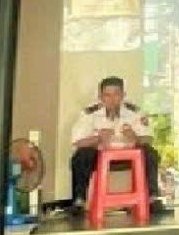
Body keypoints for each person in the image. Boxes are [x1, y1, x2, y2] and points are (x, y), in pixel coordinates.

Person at [68, 76, 165, 213]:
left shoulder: (134, 112)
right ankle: (79, 201)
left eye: (116, 95)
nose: (112, 100)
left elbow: (149, 138)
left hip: (128, 157)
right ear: (101, 97)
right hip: (100, 157)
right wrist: (98, 138)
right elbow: (78, 141)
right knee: (81, 155)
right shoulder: (90, 113)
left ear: (123, 96)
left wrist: (135, 138)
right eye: (107, 95)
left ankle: (153, 198)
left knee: (150, 153)